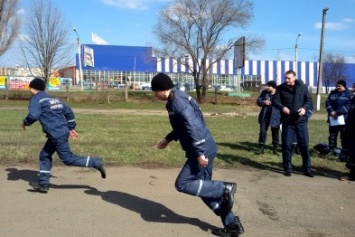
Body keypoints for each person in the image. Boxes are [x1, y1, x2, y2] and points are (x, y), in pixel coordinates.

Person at [151, 73, 244, 236]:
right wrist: (168, 138)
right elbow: (184, 126)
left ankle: (224, 188)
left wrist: (200, 153)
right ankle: (232, 224)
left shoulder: (177, 102)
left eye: (155, 91)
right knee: (204, 189)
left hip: (202, 150)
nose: (154, 94)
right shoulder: (176, 98)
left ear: (162, 90)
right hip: (205, 147)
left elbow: (194, 127)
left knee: (183, 183)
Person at [22, 78, 106, 193]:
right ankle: (43, 183)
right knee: (44, 155)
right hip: (59, 133)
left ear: (33, 88)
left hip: (56, 134)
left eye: (29, 88)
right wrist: (71, 128)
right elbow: (69, 113)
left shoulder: (36, 99)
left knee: (68, 159)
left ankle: (96, 162)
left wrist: (25, 122)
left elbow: (34, 115)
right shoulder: (54, 99)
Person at [273, 70, 314, 177]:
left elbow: (309, 100)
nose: (286, 80)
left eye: (289, 78)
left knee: (304, 145)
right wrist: (282, 108)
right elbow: (275, 101)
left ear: (294, 78)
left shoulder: (302, 87)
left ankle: (307, 168)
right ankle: (287, 168)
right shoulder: (280, 88)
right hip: (287, 121)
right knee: (286, 145)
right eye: (285, 78)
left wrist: (304, 108)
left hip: (301, 121)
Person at [325, 80, 352, 160]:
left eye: (339, 86)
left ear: (344, 86)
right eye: (337, 86)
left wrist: (338, 112)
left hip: (344, 119)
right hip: (333, 118)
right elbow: (328, 102)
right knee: (332, 135)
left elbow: (349, 105)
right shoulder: (333, 93)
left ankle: (344, 152)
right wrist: (331, 111)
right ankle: (332, 149)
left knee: (344, 136)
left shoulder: (349, 94)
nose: (338, 87)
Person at [255, 81, 280, 155]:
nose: (267, 87)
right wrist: (263, 102)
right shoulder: (265, 92)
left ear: (273, 87)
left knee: (275, 132)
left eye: (269, 86)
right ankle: (261, 148)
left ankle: (275, 149)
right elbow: (258, 100)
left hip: (275, 116)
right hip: (265, 115)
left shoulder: (279, 94)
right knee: (262, 132)